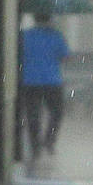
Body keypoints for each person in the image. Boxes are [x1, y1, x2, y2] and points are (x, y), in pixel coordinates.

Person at [20, 13, 69, 156]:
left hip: (30, 81)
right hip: (52, 81)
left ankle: (35, 145)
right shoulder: (56, 36)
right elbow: (65, 56)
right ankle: (49, 140)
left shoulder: (25, 35)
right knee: (57, 113)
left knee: (33, 114)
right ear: (50, 19)